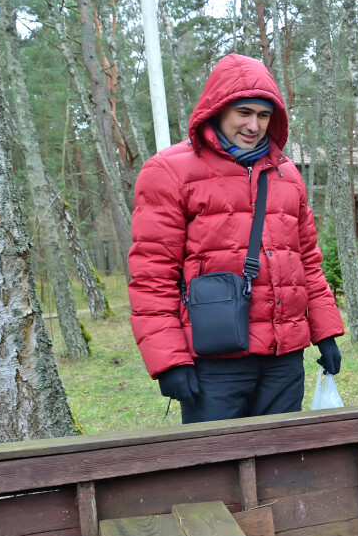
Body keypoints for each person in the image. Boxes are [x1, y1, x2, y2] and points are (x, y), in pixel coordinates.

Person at [128, 54, 344, 424]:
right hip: (215, 361)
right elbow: (152, 273)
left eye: (263, 115)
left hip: (283, 358)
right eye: (244, 112)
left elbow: (307, 261)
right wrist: (169, 360)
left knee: (281, 465)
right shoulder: (167, 171)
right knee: (217, 472)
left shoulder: (287, 174)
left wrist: (325, 332)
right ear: (218, 109)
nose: (254, 125)